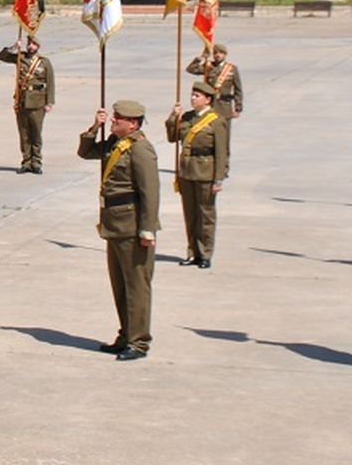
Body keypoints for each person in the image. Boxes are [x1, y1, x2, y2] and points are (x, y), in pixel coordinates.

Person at [79, 100, 160, 360]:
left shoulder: (141, 149)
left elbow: (151, 193)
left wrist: (148, 229)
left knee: (137, 286)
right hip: (114, 224)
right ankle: (125, 335)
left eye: (117, 119)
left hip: (133, 227)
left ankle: (139, 342)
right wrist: (96, 126)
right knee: (120, 286)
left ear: (133, 123)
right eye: (113, 117)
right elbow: (86, 152)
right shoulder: (116, 143)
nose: (113, 121)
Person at [165, 80, 228, 268]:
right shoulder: (187, 117)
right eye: (192, 95)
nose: (193, 98)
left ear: (207, 100)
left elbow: (221, 152)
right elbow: (172, 137)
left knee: (206, 215)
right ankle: (192, 252)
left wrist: (218, 178)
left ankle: (206, 253)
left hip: (206, 172)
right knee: (190, 214)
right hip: (187, 171)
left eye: (197, 96)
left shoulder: (216, 121)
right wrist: (173, 117)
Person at [0, 36, 55, 173]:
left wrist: (49, 102)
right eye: (29, 44)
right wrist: (14, 47)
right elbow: (1, 57)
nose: (30, 46)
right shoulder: (20, 57)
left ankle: (36, 162)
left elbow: (50, 83)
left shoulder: (44, 62)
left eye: (34, 44)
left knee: (36, 133)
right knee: (24, 134)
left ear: (38, 46)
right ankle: (26, 161)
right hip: (22, 101)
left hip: (38, 102)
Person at [187, 42, 242, 155]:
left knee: (223, 139)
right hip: (209, 107)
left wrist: (238, 107)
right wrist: (202, 57)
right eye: (216, 53)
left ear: (225, 55)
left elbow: (238, 89)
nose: (218, 55)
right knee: (207, 136)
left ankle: (224, 168)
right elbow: (191, 69)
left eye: (220, 53)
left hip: (224, 107)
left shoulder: (231, 69)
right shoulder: (208, 66)